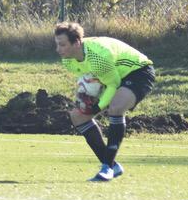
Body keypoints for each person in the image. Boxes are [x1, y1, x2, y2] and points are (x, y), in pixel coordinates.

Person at [54, 21, 155, 182]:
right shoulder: (68, 60)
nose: (58, 49)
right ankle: (113, 165)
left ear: (77, 43)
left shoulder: (97, 56)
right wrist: (84, 96)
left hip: (138, 72)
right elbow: (91, 79)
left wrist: (98, 107)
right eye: (57, 44)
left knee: (115, 108)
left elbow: (113, 84)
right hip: (110, 76)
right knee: (77, 116)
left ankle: (107, 168)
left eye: (62, 45)